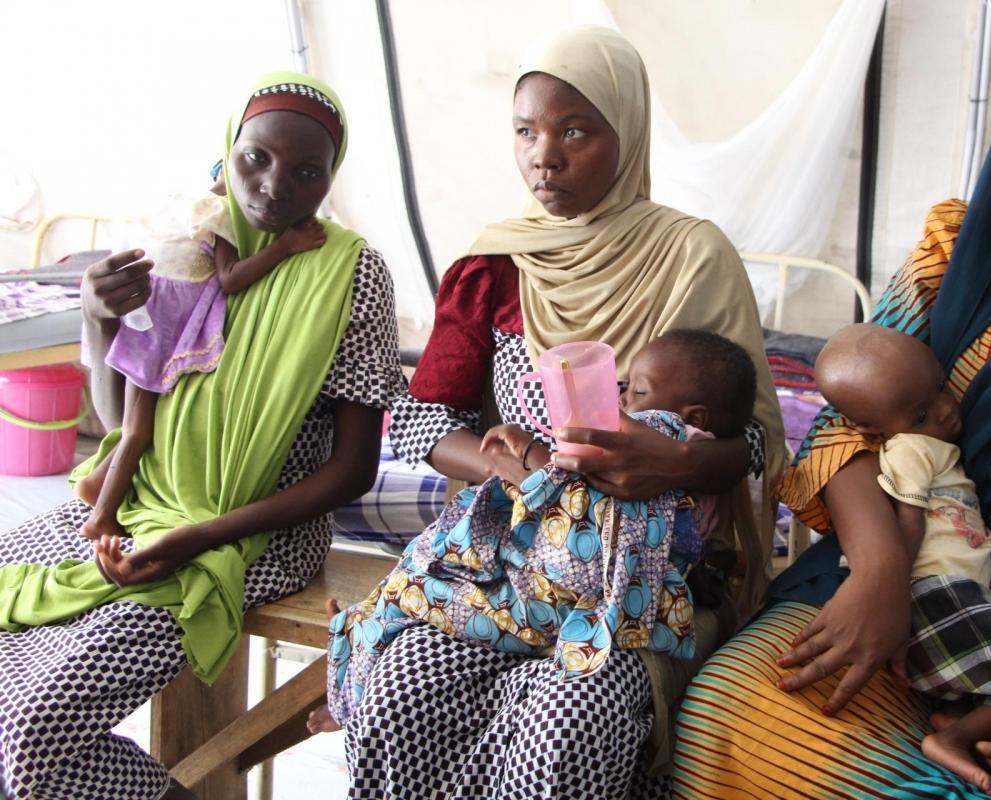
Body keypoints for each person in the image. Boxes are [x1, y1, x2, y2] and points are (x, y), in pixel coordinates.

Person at [673, 17, 991, 799]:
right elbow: (842, 419)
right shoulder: (955, 260)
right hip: (914, 580)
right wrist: (881, 574)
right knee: (732, 716)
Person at [346, 25, 785, 800]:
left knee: (570, 719)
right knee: (398, 690)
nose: (544, 155)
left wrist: (674, 463)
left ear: (629, 131)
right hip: (509, 562)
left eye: (576, 130)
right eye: (526, 131)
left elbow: (749, 440)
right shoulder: (494, 265)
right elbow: (420, 421)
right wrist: (529, 469)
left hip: (647, 576)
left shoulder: (690, 255)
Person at [0, 72, 403, 800]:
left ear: (330, 180)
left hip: (253, 537)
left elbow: (349, 472)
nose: (275, 186)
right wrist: (98, 321)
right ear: (226, 153)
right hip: (138, 502)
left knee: (35, 744)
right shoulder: (185, 252)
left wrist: (195, 538)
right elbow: (125, 425)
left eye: (307, 171)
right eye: (256, 158)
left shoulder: (351, 275)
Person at [309, 330, 757, 734]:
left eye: (636, 391)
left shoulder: (665, 436)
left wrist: (529, 461)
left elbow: (587, 507)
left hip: (568, 600)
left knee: (411, 587)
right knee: (417, 586)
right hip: (592, 591)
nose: (620, 401)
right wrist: (518, 461)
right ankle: (357, 655)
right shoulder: (684, 451)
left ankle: (350, 685)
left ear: (693, 414)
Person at [814, 323, 991, 795]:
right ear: (869, 428)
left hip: (954, 592)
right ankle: (952, 739)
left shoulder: (925, 440)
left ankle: (956, 715)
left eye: (942, 387)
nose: (946, 410)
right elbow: (909, 523)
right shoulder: (911, 449)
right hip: (935, 592)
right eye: (923, 411)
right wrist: (891, 594)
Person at [74, 166, 328, 543]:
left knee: (146, 422)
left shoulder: (190, 204)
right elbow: (229, 276)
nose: (269, 189)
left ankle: (98, 481)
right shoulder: (222, 210)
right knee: (137, 430)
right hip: (163, 327)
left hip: (150, 314)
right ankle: (101, 516)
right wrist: (286, 246)